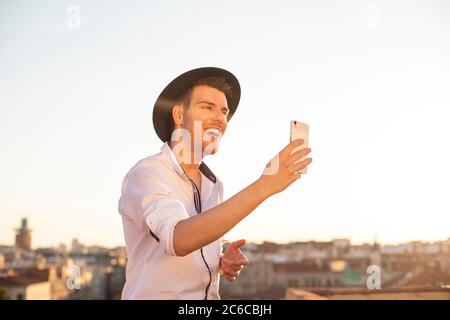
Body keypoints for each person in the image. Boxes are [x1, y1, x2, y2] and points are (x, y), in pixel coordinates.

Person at [118, 67, 313, 299]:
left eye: (224, 111)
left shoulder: (214, 185)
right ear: (179, 115)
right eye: (207, 107)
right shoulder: (147, 173)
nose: (220, 118)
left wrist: (218, 261)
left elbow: (193, 245)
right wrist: (265, 185)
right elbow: (179, 239)